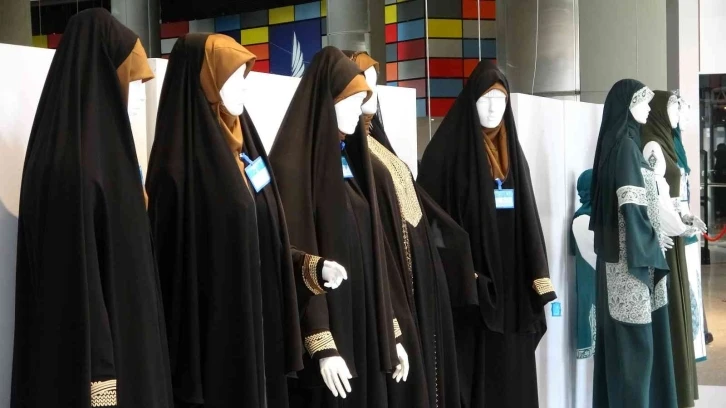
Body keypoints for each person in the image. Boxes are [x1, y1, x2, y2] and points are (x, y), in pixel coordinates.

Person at [12, 8, 173, 407]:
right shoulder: (76, 167)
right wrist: (101, 382)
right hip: (102, 371)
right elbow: (77, 284)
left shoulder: (102, 159)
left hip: (131, 347)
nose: (131, 97)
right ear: (103, 74)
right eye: (126, 79)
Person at [269, 46, 403, 408]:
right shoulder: (292, 167)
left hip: (362, 327)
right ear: (328, 102)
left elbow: (375, 250)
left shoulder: (352, 164)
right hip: (330, 338)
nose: (358, 112)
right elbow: (293, 254)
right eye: (350, 102)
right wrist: (322, 344)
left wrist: (391, 333)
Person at [418, 61, 555, 408]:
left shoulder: (514, 155)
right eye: (486, 100)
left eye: (501, 100)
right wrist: (464, 272)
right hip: (473, 293)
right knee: (477, 374)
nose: (494, 108)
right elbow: (430, 221)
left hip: (513, 289)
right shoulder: (445, 154)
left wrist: (538, 275)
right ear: (471, 101)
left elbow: (529, 218)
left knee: (513, 372)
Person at [347, 51, 477, 408]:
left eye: (375, 85)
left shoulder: (377, 143)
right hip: (393, 271)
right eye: (363, 84)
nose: (370, 93)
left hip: (419, 271)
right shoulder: (352, 153)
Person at [589, 80, 677, 408]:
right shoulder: (626, 147)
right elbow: (631, 209)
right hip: (631, 265)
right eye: (642, 102)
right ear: (626, 106)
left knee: (630, 350)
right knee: (634, 352)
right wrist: (653, 242)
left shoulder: (625, 143)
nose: (648, 109)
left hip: (629, 261)